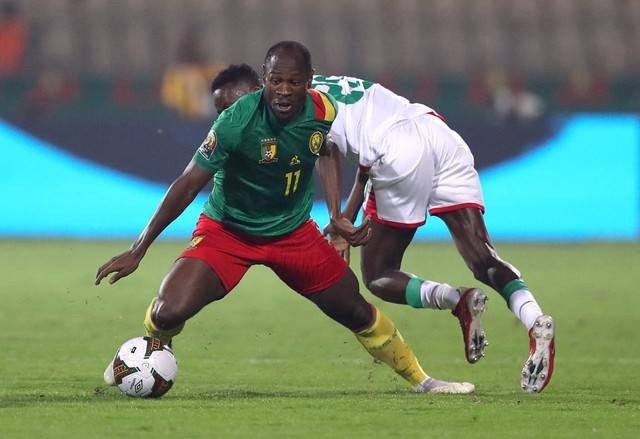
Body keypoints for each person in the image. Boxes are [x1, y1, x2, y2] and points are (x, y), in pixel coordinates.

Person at [96, 42, 474, 395]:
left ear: (309, 82)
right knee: (168, 310)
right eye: (276, 81)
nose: (284, 90)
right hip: (228, 232)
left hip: (293, 234)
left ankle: (425, 381)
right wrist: (138, 249)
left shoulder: (322, 109)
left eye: (294, 82)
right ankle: (144, 355)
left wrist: (337, 212)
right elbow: (187, 183)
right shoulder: (236, 121)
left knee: (355, 309)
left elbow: (326, 147)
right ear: (265, 80)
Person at [211, 67, 555, 394]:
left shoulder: (294, 109)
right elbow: (364, 163)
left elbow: (330, 150)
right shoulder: (313, 82)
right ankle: (535, 319)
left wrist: (337, 219)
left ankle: (455, 299)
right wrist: (343, 219)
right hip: (436, 130)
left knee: (378, 274)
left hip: (398, 149)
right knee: (483, 257)